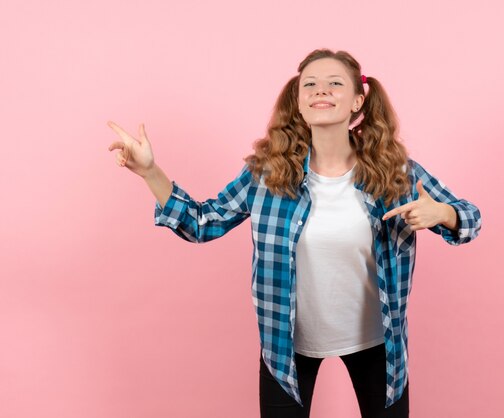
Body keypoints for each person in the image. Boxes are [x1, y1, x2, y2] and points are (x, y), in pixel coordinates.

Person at [108, 48, 482, 418]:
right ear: (299, 102)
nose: (322, 91)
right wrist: (149, 172)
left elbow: (471, 218)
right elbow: (201, 223)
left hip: (379, 343)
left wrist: (443, 213)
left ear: (357, 100)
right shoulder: (267, 174)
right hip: (286, 345)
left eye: (335, 83)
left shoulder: (395, 171)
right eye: (311, 85)